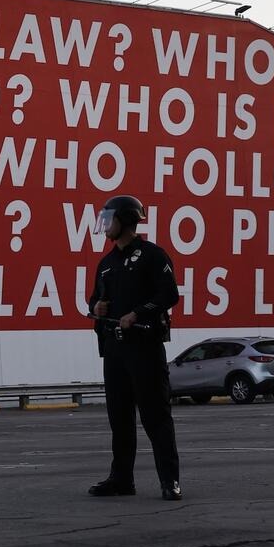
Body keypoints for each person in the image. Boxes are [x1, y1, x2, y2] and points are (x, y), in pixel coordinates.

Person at [87, 195, 183, 501]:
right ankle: (121, 479)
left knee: (156, 417)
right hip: (114, 351)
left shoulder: (153, 255)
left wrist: (138, 314)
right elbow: (93, 301)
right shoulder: (105, 264)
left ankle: (170, 480)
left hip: (145, 348)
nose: (104, 226)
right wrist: (97, 307)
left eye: (109, 219)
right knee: (120, 417)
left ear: (126, 220)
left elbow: (169, 294)